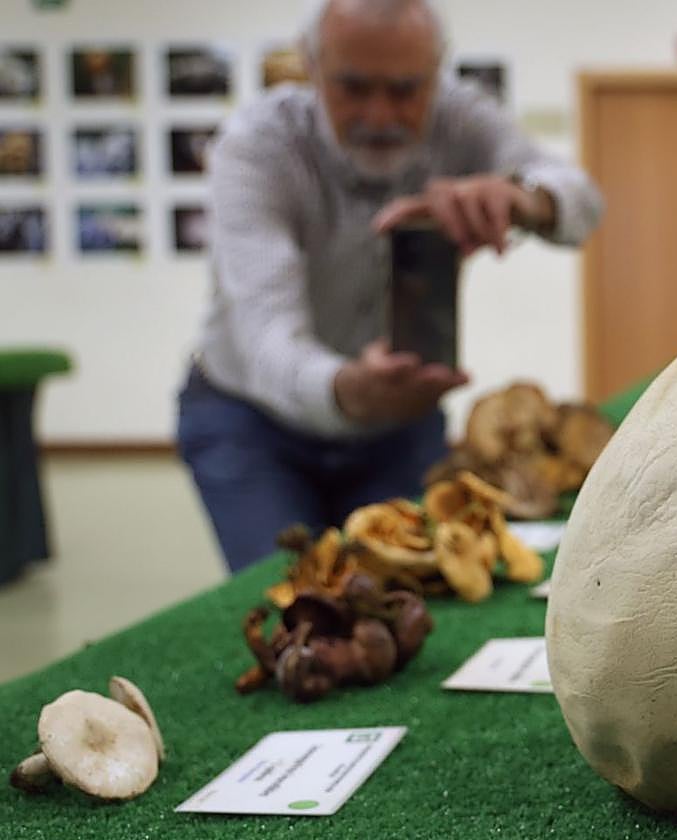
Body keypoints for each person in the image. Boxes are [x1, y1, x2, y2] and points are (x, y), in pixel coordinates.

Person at [177, 0, 604, 573]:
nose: (380, 115)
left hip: (398, 421)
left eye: (405, 89)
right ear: (311, 66)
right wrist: (347, 392)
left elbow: (582, 199)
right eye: (353, 87)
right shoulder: (256, 147)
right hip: (251, 422)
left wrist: (525, 198)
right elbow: (265, 337)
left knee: (419, 588)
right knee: (291, 595)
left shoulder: (460, 117)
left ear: (436, 71)